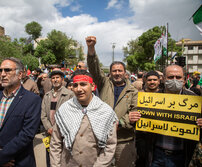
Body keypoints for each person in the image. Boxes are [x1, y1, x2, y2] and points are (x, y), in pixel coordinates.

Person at [131, 65, 202, 167]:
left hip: (183, 156)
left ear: (184, 80)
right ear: (163, 79)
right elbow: (141, 128)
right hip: (156, 155)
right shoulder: (151, 100)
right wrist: (134, 120)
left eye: (178, 77)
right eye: (170, 77)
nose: (174, 80)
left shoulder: (195, 100)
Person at [86, 36, 138, 167]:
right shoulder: (104, 83)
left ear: (125, 73)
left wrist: (119, 123)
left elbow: (134, 114)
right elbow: (94, 68)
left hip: (124, 140)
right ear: (110, 72)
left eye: (120, 70)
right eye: (114, 70)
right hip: (102, 138)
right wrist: (91, 48)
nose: (117, 73)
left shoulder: (133, 91)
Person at [0, 57, 41, 167]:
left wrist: (0, 157)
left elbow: (27, 134)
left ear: (20, 74)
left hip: (17, 162)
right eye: (1, 70)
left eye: (7, 70)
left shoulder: (32, 100)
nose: (2, 74)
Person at [50, 70, 118, 166]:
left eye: (83, 84)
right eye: (75, 85)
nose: (79, 89)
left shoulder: (105, 112)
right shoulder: (64, 109)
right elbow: (55, 143)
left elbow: (110, 146)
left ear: (93, 86)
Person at [41, 69, 74, 166]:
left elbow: (71, 115)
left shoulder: (69, 94)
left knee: (63, 159)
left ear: (62, 79)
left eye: (57, 78)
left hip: (63, 133)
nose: (55, 80)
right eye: (53, 78)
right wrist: (49, 128)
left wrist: (57, 129)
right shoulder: (47, 95)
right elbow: (43, 115)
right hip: (49, 133)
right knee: (50, 159)